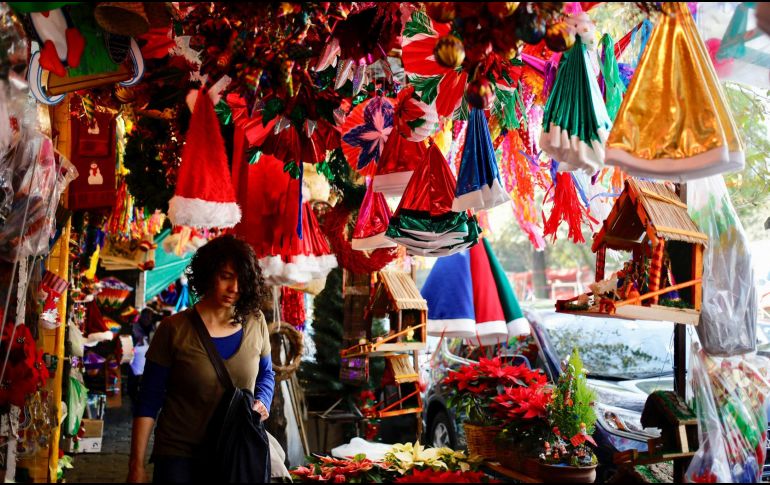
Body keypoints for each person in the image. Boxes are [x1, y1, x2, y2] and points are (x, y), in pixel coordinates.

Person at [127, 235, 275, 483]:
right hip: (180, 456)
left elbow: (266, 373)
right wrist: (136, 465)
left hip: (235, 450)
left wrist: (263, 400)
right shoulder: (173, 329)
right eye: (226, 276)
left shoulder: (255, 321)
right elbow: (149, 399)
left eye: (241, 279)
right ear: (208, 274)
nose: (234, 288)